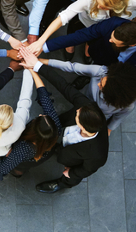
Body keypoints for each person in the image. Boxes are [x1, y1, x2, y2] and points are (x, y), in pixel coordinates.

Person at [19, 47, 109, 193]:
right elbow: (64, 86)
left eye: (78, 116)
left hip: (69, 158)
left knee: (70, 177)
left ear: (83, 127)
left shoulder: (98, 155)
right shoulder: (88, 107)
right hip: (61, 129)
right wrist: (36, 65)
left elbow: (87, 169)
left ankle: (61, 184)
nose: (77, 110)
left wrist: (72, 173)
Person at [26, 0, 136, 59]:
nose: (98, 7)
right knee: (73, 33)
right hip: (84, 22)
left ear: (116, 6)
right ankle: (70, 47)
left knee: (94, 43)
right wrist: (41, 41)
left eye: (103, 6)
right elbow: (63, 17)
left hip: (106, 30)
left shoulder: (134, 1)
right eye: (98, 3)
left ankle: (88, 47)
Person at [22, 56, 136, 135]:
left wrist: (108, 130)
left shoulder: (128, 105)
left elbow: (117, 118)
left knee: (72, 120)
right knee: (64, 119)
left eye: (102, 87)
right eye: (101, 81)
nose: (98, 83)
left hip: (93, 114)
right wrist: (39, 61)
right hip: (82, 98)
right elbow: (71, 67)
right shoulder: (102, 72)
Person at [37, 17, 136, 85]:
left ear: (130, 44)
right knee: (93, 66)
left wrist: (118, 86)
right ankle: (87, 76)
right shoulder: (112, 23)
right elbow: (79, 36)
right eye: (111, 36)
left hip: (121, 73)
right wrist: (43, 46)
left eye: (114, 42)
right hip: (101, 54)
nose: (110, 40)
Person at [0, 69, 62, 180]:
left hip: (25, 158)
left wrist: (7, 155)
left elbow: (6, 165)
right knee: (22, 167)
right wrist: (33, 69)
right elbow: (45, 99)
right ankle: (19, 173)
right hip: (43, 155)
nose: (40, 114)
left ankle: (17, 174)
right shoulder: (55, 126)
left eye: (39, 118)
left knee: (18, 167)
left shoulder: (24, 148)